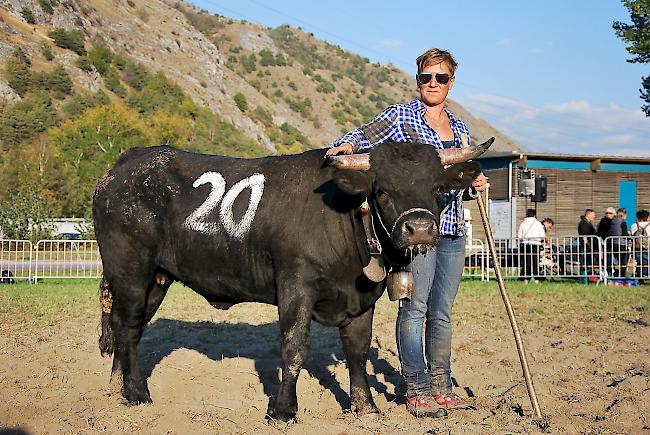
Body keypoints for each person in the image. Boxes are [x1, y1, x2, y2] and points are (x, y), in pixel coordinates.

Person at [327, 47, 487, 417]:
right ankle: (415, 389)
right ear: (418, 80)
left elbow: (454, 180)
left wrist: (473, 180)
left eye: (440, 78)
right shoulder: (401, 116)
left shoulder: (459, 128)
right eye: (425, 78)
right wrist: (349, 144)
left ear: (451, 82)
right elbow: (367, 134)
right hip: (415, 232)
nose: (432, 84)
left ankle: (442, 388)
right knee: (414, 309)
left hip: (450, 229)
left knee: (442, 313)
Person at [517, 209, 545, 281]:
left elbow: (519, 236)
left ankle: (525, 278)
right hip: (536, 244)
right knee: (535, 262)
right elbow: (542, 235)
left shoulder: (523, 223)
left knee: (526, 262)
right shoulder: (538, 223)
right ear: (534, 215)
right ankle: (537, 279)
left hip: (525, 244)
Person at [608, 208, 629, 277]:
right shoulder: (623, 222)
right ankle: (622, 275)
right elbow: (624, 234)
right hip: (621, 244)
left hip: (613, 243)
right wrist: (629, 235)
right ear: (624, 215)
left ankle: (615, 273)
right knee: (623, 261)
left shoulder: (612, 221)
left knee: (615, 261)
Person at [578, 209, 598, 279]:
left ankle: (587, 278)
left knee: (588, 263)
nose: (594, 217)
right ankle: (584, 279)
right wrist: (588, 246)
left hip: (589, 247)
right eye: (593, 215)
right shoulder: (584, 223)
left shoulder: (588, 223)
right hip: (586, 247)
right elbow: (584, 236)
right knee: (585, 263)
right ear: (588, 214)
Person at [630, 209, 649, 278]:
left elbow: (632, 234)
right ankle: (645, 274)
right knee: (646, 262)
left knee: (638, 262)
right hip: (647, 247)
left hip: (636, 247)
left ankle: (639, 275)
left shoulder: (634, 225)